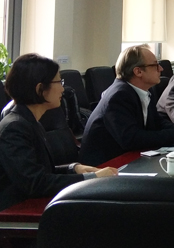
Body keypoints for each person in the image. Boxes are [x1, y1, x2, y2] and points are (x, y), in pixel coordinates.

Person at [0, 54, 117, 210]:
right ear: (40, 89)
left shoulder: (29, 120)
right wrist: (91, 178)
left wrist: (73, 168)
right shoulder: (15, 127)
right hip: (14, 211)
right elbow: (35, 183)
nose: (63, 88)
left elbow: (41, 171)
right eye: (59, 82)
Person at [80, 45, 174, 166]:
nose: (161, 69)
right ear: (138, 71)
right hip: (104, 165)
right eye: (155, 65)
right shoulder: (119, 95)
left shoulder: (144, 90)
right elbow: (131, 138)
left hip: (129, 157)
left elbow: (156, 122)